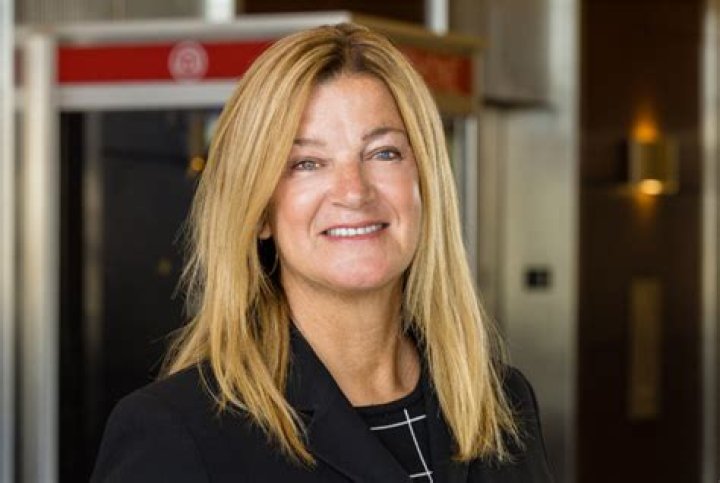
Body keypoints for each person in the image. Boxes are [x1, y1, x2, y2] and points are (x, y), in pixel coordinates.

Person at [91, 23, 554, 482]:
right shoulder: (176, 432)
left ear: (425, 184)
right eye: (307, 163)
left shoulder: (503, 402)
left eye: (383, 153)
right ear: (260, 212)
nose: (353, 191)